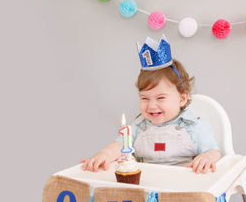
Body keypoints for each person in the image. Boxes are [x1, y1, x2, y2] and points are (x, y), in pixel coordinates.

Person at [81, 36, 221, 174]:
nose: (151, 106)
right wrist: (104, 154)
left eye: (160, 98)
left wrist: (207, 157)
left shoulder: (194, 127)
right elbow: (119, 145)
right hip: (145, 186)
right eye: (145, 98)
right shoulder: (139, 126)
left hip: (181, 186)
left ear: (182, 99)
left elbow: (214, 151)